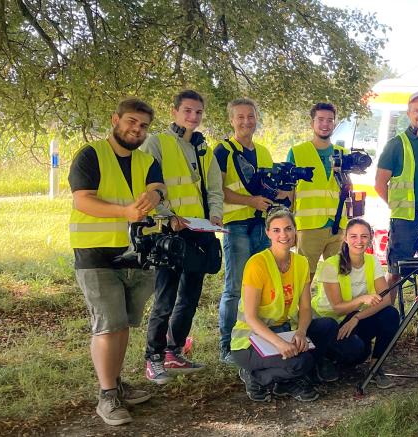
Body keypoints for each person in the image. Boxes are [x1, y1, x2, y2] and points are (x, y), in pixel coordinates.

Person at [69, 98, 165, 425]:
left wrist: (154, 196)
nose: (136, 129)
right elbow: (83, 200)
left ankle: (117, 384)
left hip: (136, 254)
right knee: (108, 325)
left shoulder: (146, 160)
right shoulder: (90, 155)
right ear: (116, 119)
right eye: (131, 122)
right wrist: (125, 212)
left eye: (143, 126)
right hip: (96, 253)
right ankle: (107, 395)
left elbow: (157, 188)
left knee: (123, 323)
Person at [139, 89, 223, 382]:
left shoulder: (204, 149)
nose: (193, 117)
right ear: (174, 112)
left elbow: (214, 189)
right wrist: (168, 216)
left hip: (199, 232)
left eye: (198, 112)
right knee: (165, 297)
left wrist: (215, 216)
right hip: (170, 233)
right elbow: (148, 186)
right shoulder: (157, 143)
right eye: (187, 111)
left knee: (189, 297)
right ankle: (154, 357)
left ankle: (174, 352)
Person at [231, 209, 338, 402]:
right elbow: (251, 318)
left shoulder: (301, 263)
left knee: (328, 326)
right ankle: (256, 376)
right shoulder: (257, 264)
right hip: (250, 340)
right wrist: (280, 344)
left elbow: (305, 308)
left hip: (284, 330)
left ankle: (287, 379)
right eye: (277, 230)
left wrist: (301, 332)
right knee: (302, 362)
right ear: (268, 233)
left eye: (288, 229)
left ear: (295, 231)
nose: (283, 235)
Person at [214, 98, 285, 364]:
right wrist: (249, 202)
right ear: (231, 120)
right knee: (234, 288)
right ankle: (227, 346)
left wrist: (283, 192)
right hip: (237, 225)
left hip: (262, 225)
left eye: (250, 116)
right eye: (240, 117)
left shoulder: (264, 152)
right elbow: (217, 189)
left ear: (257, 118)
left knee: (261, 285)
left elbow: (267, 187)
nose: (246, 122)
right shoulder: (223, 151)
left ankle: (258, 338)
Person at [374, 91, 418, 338]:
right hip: (405, 220)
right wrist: (397, 207)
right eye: (416, 110)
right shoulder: (397, 144)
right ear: (409, 114)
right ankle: (386, 317)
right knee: (396, 267)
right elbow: (380, 183)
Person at [313, 219, 401, 387]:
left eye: (364, 236)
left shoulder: (372, 261)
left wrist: (357, 317)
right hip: (328, 323)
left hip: (352, 317)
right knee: (355, 351)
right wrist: (362, 299)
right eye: (353, 236)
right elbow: (337, 308)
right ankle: (323, 358)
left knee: (390, 314)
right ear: (345, 238)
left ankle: (376, 367)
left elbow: (386, 299)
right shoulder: (331, 264)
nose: (359, 241)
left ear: (370, 238)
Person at [287, 102, 347, 281]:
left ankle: (333, 309)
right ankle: (301, 309)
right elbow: (289, 191)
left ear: (334, 124)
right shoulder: (297, 152)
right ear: (312, 122)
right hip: (309, 225)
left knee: (337, 277)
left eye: (330, 120)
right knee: (304, 277)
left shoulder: (343, 153)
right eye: (320, 119)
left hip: (337, 225)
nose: (325, 124)